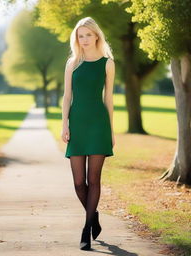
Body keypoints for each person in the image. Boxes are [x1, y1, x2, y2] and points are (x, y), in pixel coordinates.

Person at [61, 16, 115, 250]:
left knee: (94, 180)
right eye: (80, 36)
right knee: (78, 183)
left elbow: (109, 98)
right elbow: (66, 96)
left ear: (96, 36)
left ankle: (86, 229)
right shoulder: (72, 63)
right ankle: (94, 216)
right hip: (77, 124)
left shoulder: (107, 63)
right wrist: (64, 124)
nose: (83, 40)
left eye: (87, 35)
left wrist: (111, 131)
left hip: (98, 125)